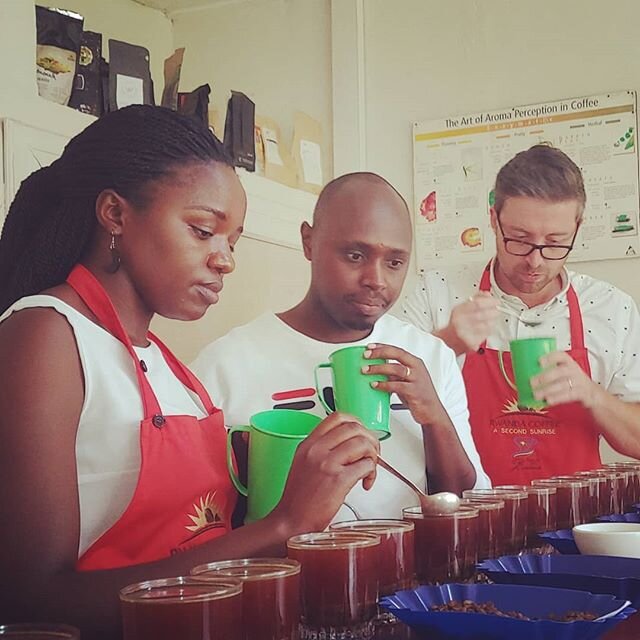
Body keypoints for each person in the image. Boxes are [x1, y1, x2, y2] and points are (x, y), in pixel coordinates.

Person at [0, 106, 380, 639]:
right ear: (115, 213)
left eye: (233, 242)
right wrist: (287, 524)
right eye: (204, 231)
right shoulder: (46, 334)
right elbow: (31, 600)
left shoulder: (168, 365)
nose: (224, 260)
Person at [192, 172, 490, 522]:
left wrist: (435, 419)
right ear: (308, 241)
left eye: (394, 263)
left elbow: (468, 504)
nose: (376, 280)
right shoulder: (225, 364)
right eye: (354, 255)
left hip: (415, 573)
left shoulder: (430, 357)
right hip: (290, 573)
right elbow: (205, 524)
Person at [402, 144, 640, 486]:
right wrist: (447, 342)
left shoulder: (612, 309)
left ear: (578, 226)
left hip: (573, 528)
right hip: (465, 519)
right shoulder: (437, 291)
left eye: (556, 242)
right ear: (493, 220)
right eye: (519, 239)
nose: (535, 261)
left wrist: (592, 395)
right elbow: (382, 395)